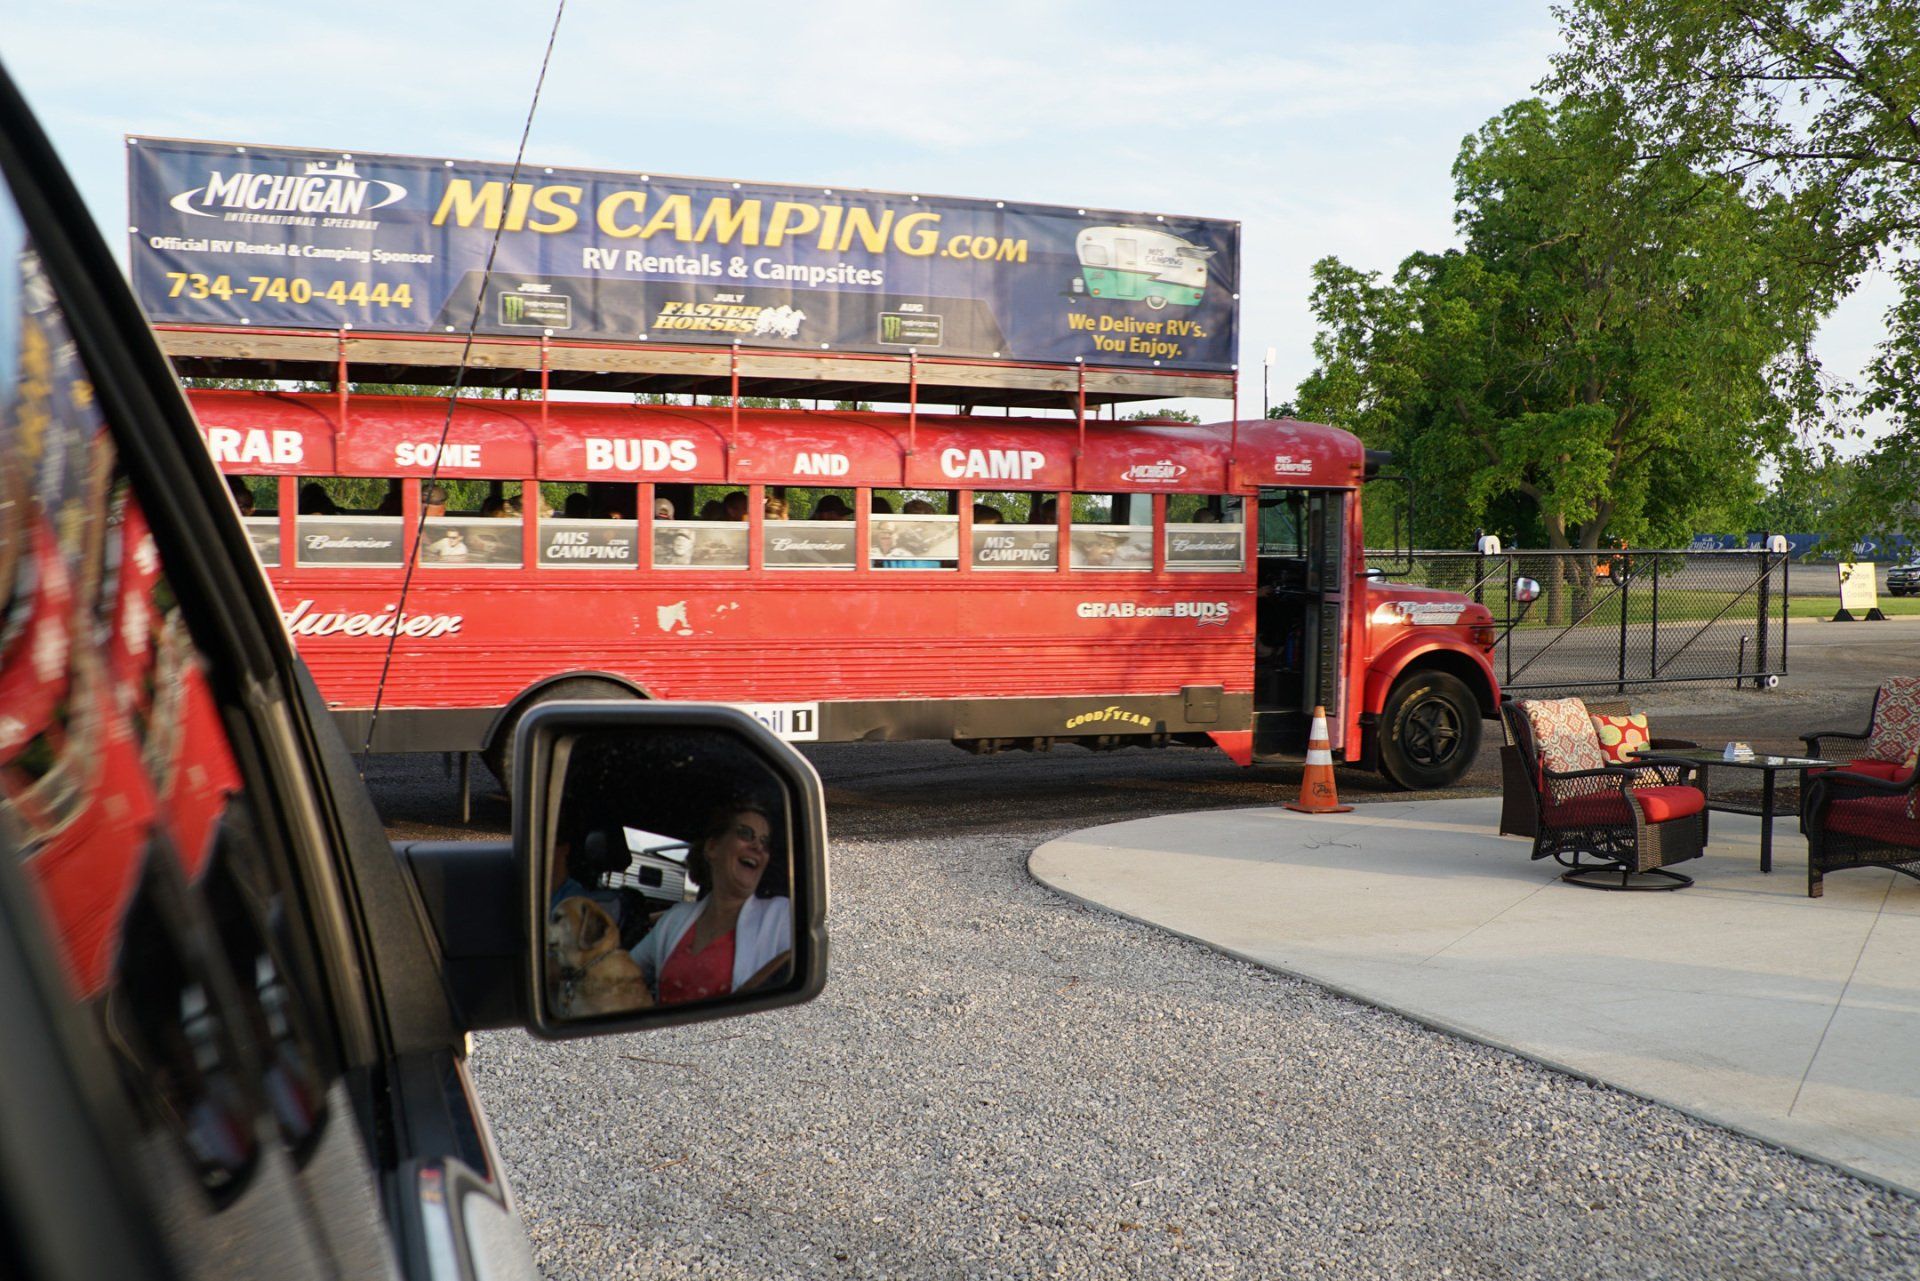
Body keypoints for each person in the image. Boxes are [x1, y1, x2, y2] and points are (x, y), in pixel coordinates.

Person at [630, 802, 791, 1005]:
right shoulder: (675, 918)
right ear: (713, 847)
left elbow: (822, 957)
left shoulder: (781, 915)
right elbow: (623, 971)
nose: (758, 846)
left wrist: (752, 990)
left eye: (765, 842)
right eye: (746, 834)